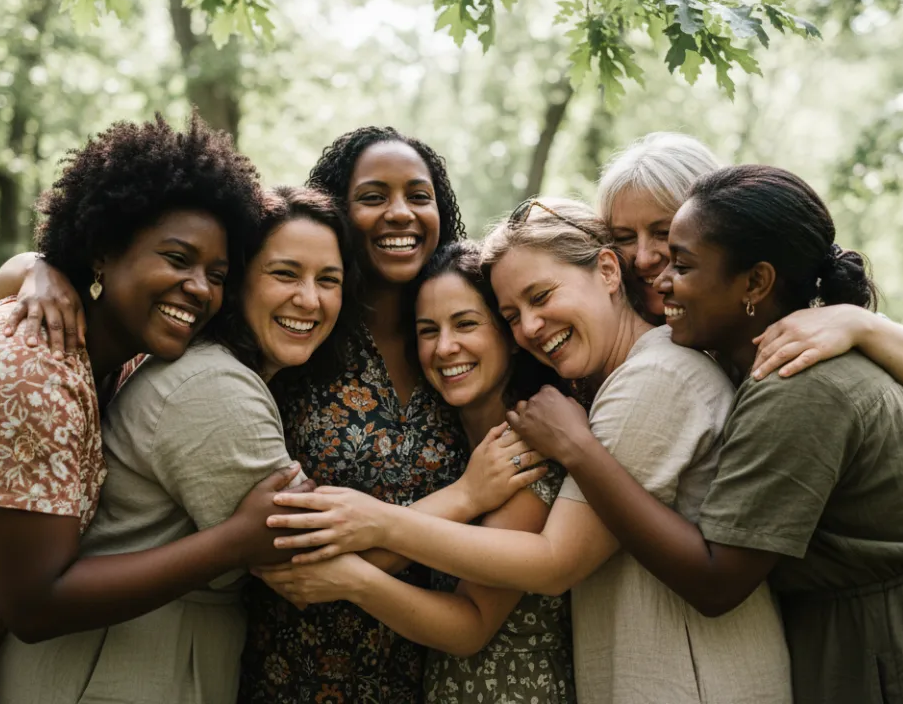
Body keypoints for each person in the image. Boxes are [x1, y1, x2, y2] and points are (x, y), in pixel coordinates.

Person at [513, 165, 903, 702]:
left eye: (682, 263)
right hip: (867, 624)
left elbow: (716, 582)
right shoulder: (752, 354)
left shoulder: (795, 384)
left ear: (756, 282)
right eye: (628, 241)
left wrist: (578, 449)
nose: (657, 275)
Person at [0, 114, 299, 704]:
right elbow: (37, 603)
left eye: (217, 274)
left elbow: (19, 276)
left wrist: (39, 265)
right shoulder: (32, 373)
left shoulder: (113, 348)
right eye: (177, 259)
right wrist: (233, 543)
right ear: (103, 250)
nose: (200, 288)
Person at [265, 200, 793, 704]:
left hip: (691, 677)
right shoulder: (593, 393)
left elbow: (553, 562)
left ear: (608, 272)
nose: (530, 329)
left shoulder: (648, 379)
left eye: (541, 297)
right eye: (514, 314)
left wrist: (378, 527)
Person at [0, 186, 356, 703]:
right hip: (111, 669)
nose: (309, 298)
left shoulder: (202, 361)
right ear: (242, 279)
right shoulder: (213, 388)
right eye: (285, 273)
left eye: (329, 280)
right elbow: (303, 557)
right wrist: (470, 497)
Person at [239, 127, 546, 704]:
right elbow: (290, 562)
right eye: (374, 196)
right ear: (339, 211)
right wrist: (40, 271)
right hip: (290, 672)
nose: (399, 213)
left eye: (419, 195)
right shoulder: (300, 336)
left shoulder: (460, 361)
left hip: (422, 676)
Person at [258, 241, 575, 703]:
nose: (445, 348)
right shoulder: (455, 446)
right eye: (428, 331)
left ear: (508, 333)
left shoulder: (525, 449)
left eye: (466, 324)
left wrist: (353, 577)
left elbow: (469, 626)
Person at [598, 131, 903, 401]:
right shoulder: (606, 329)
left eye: (663, 232)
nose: (643, 257)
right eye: (624, 236)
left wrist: (858, 323)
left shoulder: (791, 322)